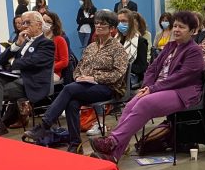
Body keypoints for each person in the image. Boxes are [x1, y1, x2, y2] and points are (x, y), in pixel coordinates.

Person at [90, 11, 205, 163]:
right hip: (159, 88)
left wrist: (153, 89)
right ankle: (113, 155)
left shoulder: (194, 51)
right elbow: (152, 68)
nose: (176, 29)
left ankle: (113, 141)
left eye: (182, 27)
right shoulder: (170, 46)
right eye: (175, 25)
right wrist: (147, 86)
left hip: (182, 92)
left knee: (145, 102)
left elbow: (180, 78)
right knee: (131, 104)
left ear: (192, 31)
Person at [25, 10, 128, 154]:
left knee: (68, 89)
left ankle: (44, 125)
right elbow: (78, 68)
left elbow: (118, 74)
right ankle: (75, 144)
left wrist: (94, 78)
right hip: (85, 86)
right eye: (96, 23)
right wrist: (79, 77)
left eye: (102, 24)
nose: (98, 26)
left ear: (112, 28)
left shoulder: (118, 49)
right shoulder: (91, 47)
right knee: (72, 102)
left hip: (108, 88)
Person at [0, 11, 54, 135]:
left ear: (38, 24)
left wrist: (13, 63)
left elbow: (33, 62)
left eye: (28, 22)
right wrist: (16, 45)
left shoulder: (46, 43)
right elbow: (0, 60)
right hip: (15, 78)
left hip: (31, 82)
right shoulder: (23, 41)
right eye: (23, 23)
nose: (24, 26)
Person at [117, 8, 148, 85]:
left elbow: (141, 68)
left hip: (131, 76)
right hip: (116, 73)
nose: (121, 24)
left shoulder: (140, 41)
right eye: (119, 21)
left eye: (124, 21)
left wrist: (122, 65)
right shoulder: (116, 39)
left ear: (131, 23)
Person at [41, 11, 69, 83]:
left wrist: (49, 68)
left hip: (53, 72)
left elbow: (64, 62)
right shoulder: (38, 39)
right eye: (43, 21)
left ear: (54, 25)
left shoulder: (59, 39)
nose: (45, 23)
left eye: (48, 22)